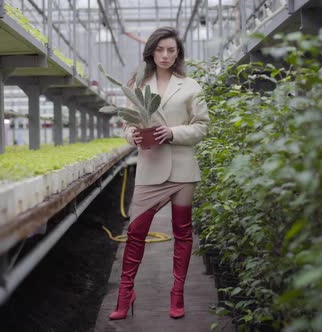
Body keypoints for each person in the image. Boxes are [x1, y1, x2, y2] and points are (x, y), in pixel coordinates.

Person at [109, 27, 210, 320]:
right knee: (136, 232)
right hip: (150, 169)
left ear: (178, 54)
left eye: (171, 50)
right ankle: (125, 294)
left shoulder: (190, 86)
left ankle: (177, 294)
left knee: (182, 233)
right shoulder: (137, 85)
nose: (165, 55)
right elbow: (127, 125)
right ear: (151, 51)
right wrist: (133, 138)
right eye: (160, 49)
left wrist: (173, 132)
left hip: (182, 169)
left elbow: (203, 126)